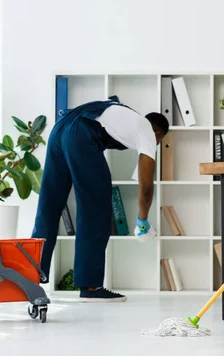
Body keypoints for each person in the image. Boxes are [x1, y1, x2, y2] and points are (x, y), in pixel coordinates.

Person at [31, 96, 169, 302]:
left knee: (49, 205)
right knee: (96, 206)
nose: (156, 144)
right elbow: (147, 187)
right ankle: (90, 286)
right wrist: (142, 219)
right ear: (158, 133)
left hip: (60, 128)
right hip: (81, 134)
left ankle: (31, 277)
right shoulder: (147, 131)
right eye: (159, 141)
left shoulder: (125, 114)